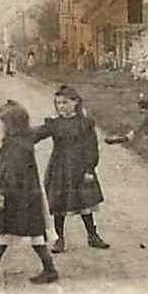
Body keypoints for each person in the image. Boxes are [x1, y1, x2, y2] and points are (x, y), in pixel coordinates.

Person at [0, 100, 59, 284]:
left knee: (31, 233)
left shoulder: (19, 146)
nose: (3, 127)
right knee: (6, 232)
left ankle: (50, 269)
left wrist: (2, 194)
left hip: (20, 196)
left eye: (4, 123)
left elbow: (10, 172)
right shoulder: (20, 138)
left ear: (13, 124)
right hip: (21, 195)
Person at [33, 85, 109, 253]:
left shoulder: (85, 123)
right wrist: (20, 135)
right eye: (58, 103)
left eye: (65, 103)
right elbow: (37, 134)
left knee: (85, 202)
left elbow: (91, 147)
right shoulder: (54, 123)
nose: (61, 106)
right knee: (59, 203)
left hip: (80, 167)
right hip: (59, 168)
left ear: (75, 102)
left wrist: (89, 169)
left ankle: (92, 235)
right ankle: (59, 239)